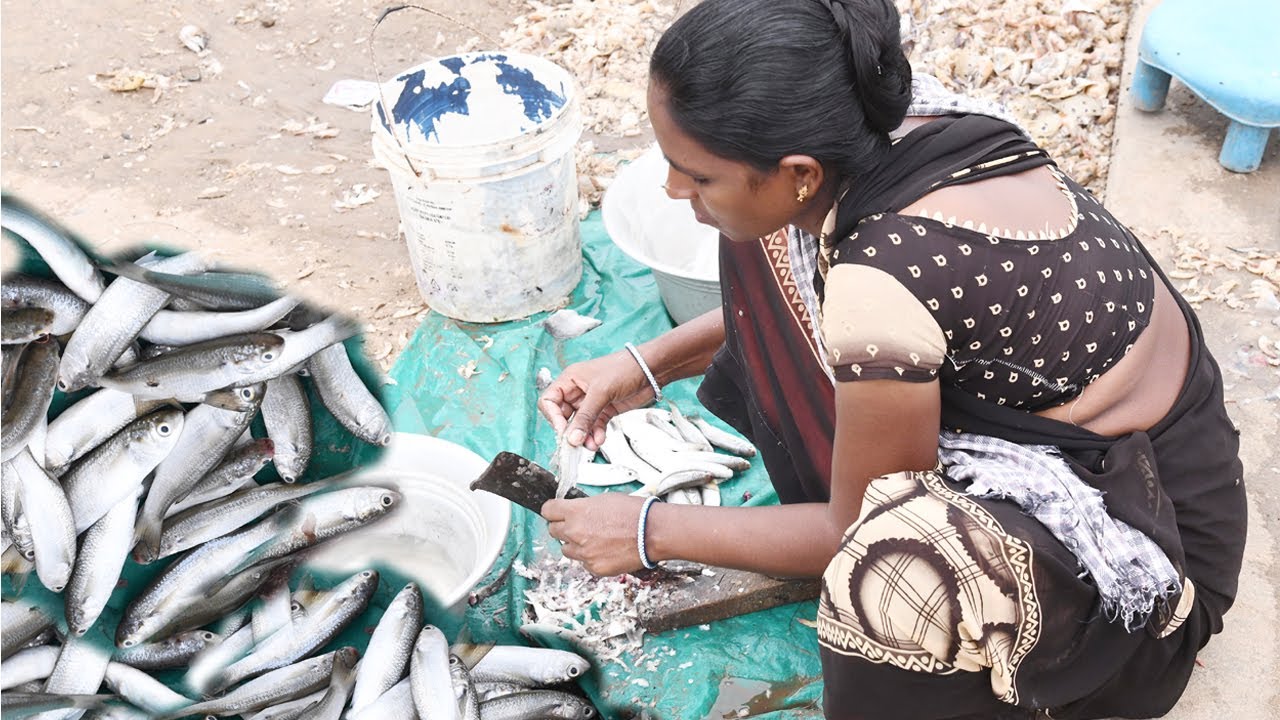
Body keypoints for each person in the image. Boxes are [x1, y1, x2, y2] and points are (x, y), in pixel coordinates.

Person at [537, 0, 1248, 717]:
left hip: (1148, 560)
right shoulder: (885, 123)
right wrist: (647, 364)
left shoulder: (880, 282)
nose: (673, 190)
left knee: (891, 568)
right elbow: (833, 305)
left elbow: (857, 529)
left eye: (697, 174)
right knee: (750, 237)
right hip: (1114, 446)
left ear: (802, 173)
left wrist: (646, 531)